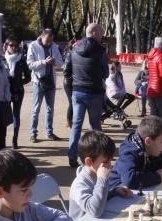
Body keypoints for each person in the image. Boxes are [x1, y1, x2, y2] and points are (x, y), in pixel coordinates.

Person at [65, 23, 109, 168]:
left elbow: (68, 70)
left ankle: (72, 156)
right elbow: (106, 73)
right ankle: (95, 155)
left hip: (78, 91)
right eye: (101, 33)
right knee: (95, 126)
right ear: (95, 33)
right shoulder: (101, 51)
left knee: (76, 125)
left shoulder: (74, 48)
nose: (102, 35)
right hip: (94, 92)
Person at [68, 131, 132, 220]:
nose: (110, 165)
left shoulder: (96, 173)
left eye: (110, 161)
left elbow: (99, 197)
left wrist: (114, 191)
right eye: (106, 162)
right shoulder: (80, 185)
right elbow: (95, 211)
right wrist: (102, 179)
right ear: (89, 162)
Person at [108, 116, 162, 191]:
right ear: (148, 141)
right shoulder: (129, 154)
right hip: (115, 196)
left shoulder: (150, 148)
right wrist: (158, 176)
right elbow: (130, 180)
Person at [27, 28, 63, 143]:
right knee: (35, 109)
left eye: (51, 41)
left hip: (51, 81)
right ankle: (33, 133)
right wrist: (44, 62)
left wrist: (54, 62)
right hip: (38, 82)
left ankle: (49, 132)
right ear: (41, 37)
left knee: (50, 109)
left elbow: (60, 63)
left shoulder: (54, 46)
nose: (49, 43)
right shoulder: (33, 46)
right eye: (47, 41)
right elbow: (30, 64)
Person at [3, 36, 31, 150]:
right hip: (5, 91)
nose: (14, 48)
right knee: (4, 116)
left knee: (16, 115)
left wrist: (19, 82)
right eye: (11, 45)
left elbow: (28, 77)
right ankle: (2, 140)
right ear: (6, 46)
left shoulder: (21, 59)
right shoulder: (1, 59)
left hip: (18, 91)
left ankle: (14, 140)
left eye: (16, 45)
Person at [62, 39, 76, 129]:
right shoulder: (69, 54)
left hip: (73, 81)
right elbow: (66, 71)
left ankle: (71, 120)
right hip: (68, 82)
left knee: (74, 102)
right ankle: (68, 121)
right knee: (72, 102)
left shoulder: (74, 54)